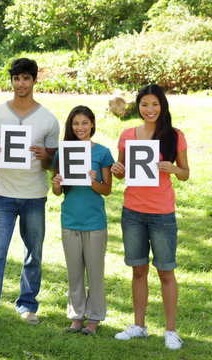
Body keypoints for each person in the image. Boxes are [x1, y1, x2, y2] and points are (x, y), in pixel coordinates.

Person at [0, 58, 59, 333]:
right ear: (11, 81)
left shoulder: (48, 119)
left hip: (34, 196)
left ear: (34, 81)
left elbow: (53, 163)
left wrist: (46, 157)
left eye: (26, 78)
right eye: (16, 78)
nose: (21, 83)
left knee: (33, 253)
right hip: (4, 196)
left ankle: (28, 305)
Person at [111, 84, 189, 350]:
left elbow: (186, 173)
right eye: (145, 104)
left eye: (155, 104)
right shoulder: (127, 135)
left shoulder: (174, 136)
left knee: (166, 272)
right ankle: (139, 326)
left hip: (162, 214)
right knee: (138, 270)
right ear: (138, 107)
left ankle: (171, 330)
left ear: (162, 106)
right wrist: (116, 168)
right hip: (132, 211)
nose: (150, 109)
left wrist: (174, 168)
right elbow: (120, 172)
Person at [51, 106, 114, 335]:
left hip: (94, 222)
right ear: (71, 126)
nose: (80, 128)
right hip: (70, 219)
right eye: (76, 124)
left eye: (85, 123)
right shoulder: (63, 152)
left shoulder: (102, 153)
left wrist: (93, 181)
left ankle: (94, 318)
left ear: (92, 125)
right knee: (74, 272)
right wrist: (56, 184)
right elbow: (58, 191)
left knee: (95, 273)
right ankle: (76, 316)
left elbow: (106, 190)